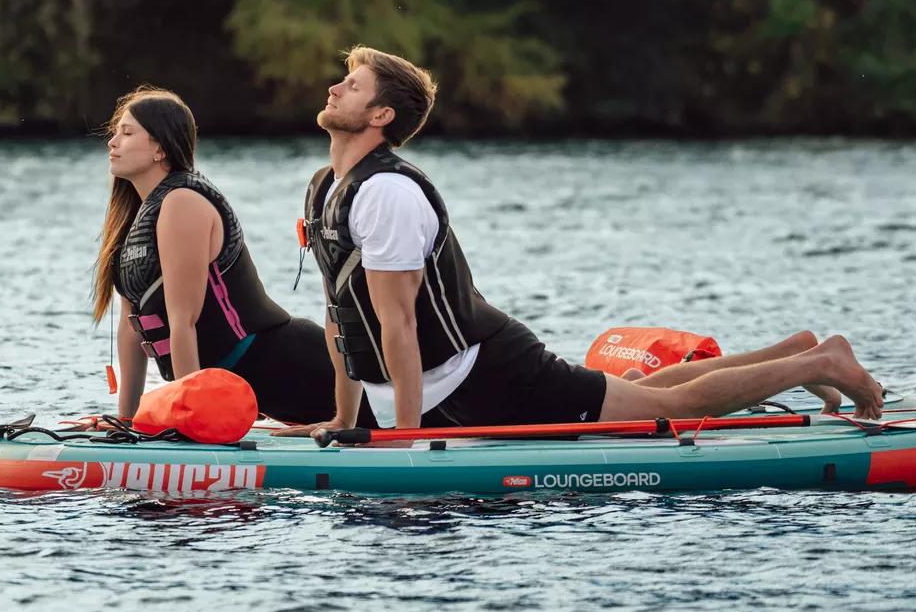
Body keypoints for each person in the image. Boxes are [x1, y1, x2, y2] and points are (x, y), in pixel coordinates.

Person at [278, 48, 884, 434]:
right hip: (447, 384)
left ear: (381, 116)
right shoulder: (326, 187)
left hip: (488, 372)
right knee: (637, 394)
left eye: (351, 85)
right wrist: (342, 416)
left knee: (661, 413)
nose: (333, 89)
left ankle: (819, 361)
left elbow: (399, 324)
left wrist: (404, 437)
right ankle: (796, 350)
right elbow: (339, 317)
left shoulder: (387, 194)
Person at [94, 87, 334, 424]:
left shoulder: (183, 202)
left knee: (411, 425)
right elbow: (130, 328)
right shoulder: (135, 219)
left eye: (127, 132)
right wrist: (127, 420)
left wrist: (185, 420)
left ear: (160, 148)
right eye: (115, 131)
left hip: (299, 369)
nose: (113, 141)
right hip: (254, 390)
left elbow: (183, 321)